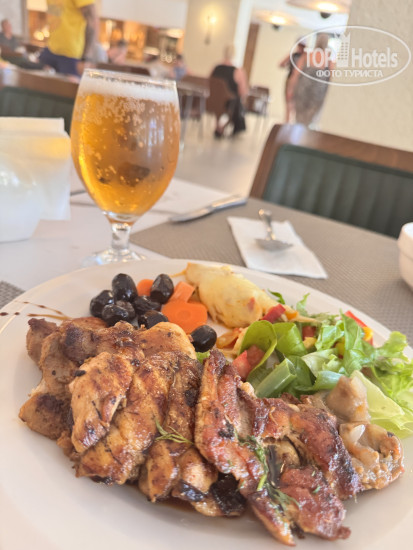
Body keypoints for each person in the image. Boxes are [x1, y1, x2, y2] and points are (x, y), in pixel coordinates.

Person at [39, 0, 96, 77]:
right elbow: (55, 17)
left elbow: (92, 21)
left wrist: (86, 58)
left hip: (72, 55)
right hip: (51, 50)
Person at [287, 33, 334, 127]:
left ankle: (299, 132)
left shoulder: (307, 55)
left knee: (299, 119)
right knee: (310, 121)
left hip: (303, 91)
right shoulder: (328, 60)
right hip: (318, 94)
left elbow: (295, 75)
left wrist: (290, 89)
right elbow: (331, 80)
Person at [210, 44, 248, 138]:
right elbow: (243, 92)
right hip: (229, 104)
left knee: (228, 102)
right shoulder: (238, 71)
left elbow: (208, 84)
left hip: (213, 101)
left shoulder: (215, 68)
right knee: (237, 102)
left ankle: (219, 126)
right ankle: (222, 127)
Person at [279, 39, 305, 123]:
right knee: (289, 104)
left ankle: (292, 123)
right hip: (291, 81)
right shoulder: (294, 55)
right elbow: (281, 64)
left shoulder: (305, 57)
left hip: (299, 83)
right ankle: (287, 123)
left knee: (295, 105)